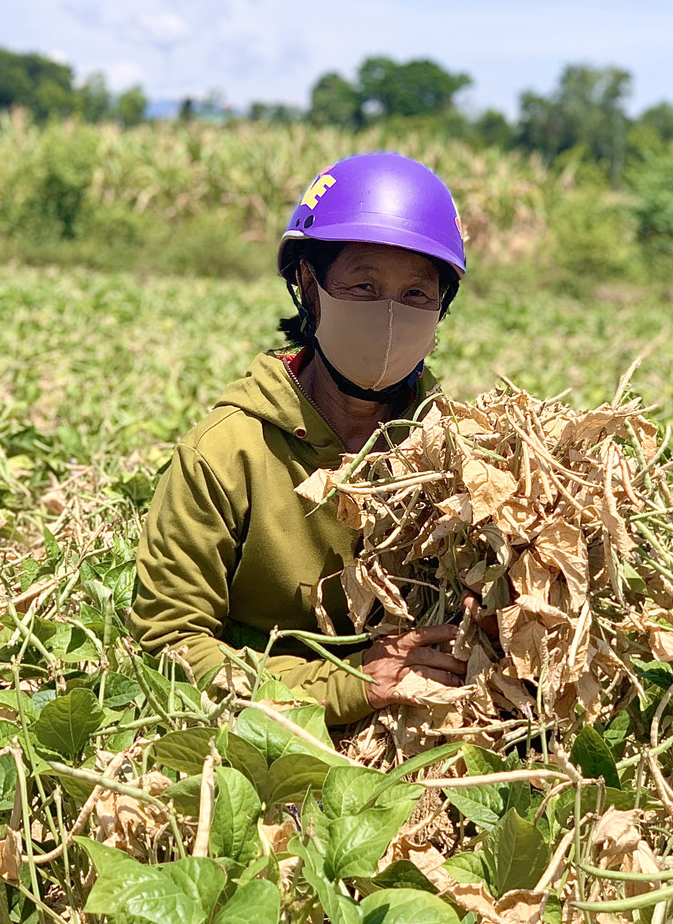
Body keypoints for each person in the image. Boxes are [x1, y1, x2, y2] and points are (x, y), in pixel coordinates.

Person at [129, 153, 469, 725]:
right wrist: (350, 685)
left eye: (416, 294)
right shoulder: (226, 453)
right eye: (364, 285)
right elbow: (170, 644)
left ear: (441, 309)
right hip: (256, 733)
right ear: (310, 286)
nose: (390, 315)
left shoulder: (460, 456)